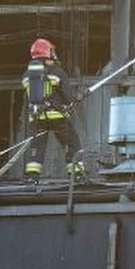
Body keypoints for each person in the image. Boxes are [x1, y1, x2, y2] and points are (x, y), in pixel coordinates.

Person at [22, 38, 85, 180]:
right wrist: (78, 97)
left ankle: (32, 178)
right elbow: (68, 97)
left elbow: (28, 100)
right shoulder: (58, 72)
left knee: (36, 149)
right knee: (72, 144)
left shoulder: (27, 76)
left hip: (37, 118)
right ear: (48, 53)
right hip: (57, 117)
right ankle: (77, 176)